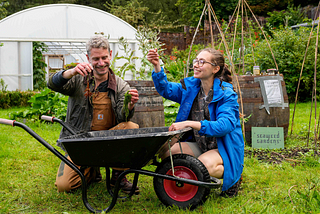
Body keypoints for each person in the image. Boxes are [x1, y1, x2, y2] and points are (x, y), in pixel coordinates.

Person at [47, 35, 140, 194]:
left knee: (131, 126)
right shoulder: (78, 80)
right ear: (88, 57)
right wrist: (70, 72)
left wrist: (129, 106)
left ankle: (117, 175)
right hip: (80, 143)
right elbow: (51, 84)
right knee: (64, 186)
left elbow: (122, 118)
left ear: (110, 54)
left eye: (104, 57)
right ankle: (91, 171)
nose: (101, 63)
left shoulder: (120, 85)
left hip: (107, 142)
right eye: (96, 59)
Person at [147, 48, 244, 197]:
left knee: (202, 166)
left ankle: (234, 174)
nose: (196, 65)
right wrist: (156, 66)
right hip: (200, 144)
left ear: (215, 69)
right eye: (196, 61)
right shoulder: (191, 89)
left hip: (223, 147)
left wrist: (191, 123)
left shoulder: (226, 94)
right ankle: (190, 180)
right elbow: (166, 89)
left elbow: (225, 126)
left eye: (202, 62)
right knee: (168, 154)